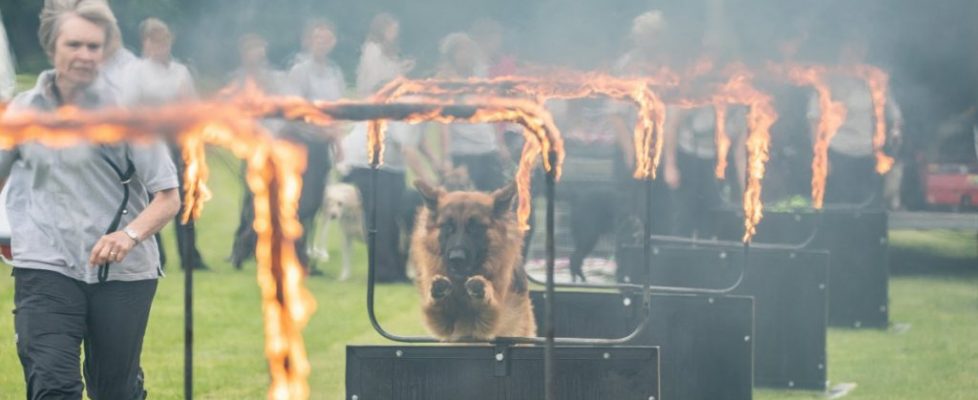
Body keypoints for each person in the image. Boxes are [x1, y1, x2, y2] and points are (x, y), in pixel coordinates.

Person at [0, 1, 180, 398]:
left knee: (114, 390)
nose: (84, 55)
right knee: (51, 384)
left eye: (93, 47)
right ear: (53, 48)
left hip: (122, 273)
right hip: (44, 264)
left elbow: (168, 197)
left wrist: (128, 236)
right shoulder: (24, 111)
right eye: (74, 45)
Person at [126, 17, 208, 270]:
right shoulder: (136, 71)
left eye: (164, 40)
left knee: (184, 197)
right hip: (149, 143)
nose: (161, 46)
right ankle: (155, 254)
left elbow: (190, 106)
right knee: (152, 199)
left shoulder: (180, 71)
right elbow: (131, 106)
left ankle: (189, 255)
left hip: (177, 143)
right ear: (146, 43)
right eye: (155, 41)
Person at [228, 32, 298, 270]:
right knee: (252, 203)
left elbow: (286, 107)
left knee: (278, 201)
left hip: (276, 148)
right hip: (252, 149)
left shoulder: (276, 78)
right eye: (251, 49)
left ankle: (270, 250)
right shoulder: (239, 80)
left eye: (259, 48)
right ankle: (241, 250)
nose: (257, 54)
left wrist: (275, 133)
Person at [809, 38, 903, 206]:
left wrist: (895, 130)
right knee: (837, 207)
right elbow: (814, 119)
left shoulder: (875, 80)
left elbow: (894, 113)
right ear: (842, 50)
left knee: (866, 209)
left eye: (861, 48)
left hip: (867, 154)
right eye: (851, 48)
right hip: (837, 152)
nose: (856, 53)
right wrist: (821, 156)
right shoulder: (829, 80)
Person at [287, 18, 348, 274]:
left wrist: (336, 137)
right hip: (303, 144)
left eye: (326, 39)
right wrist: (324, 129)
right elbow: (296, 109)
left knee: (316, 204)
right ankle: (292, 256)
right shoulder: (300, 71)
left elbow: (340, 108)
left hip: (324, 146)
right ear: (309, 41)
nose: (322, 43)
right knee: (303, 202)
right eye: (317, 38)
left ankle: (305, 256)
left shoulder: (335, 73)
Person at [436, 32, 507, 192]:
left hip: (488, 149)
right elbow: (444, 123)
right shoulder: (446, 83)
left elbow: (491, 114)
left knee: (494, 198)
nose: (465, 55)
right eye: (460, 51)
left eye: (468, 50)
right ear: (452, 56)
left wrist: (500, 144)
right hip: (463, 152)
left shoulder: (481, 80)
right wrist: (446, 157)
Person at [356, 12, 414, 97]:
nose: (394, 34)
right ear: (381, 30)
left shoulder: (391, 49)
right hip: (374, 97)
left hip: (388, 95)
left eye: (395, 30)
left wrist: (403, 67)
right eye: (391, 30)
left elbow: (392, 73)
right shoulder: (372, 49)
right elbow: (374, 81)